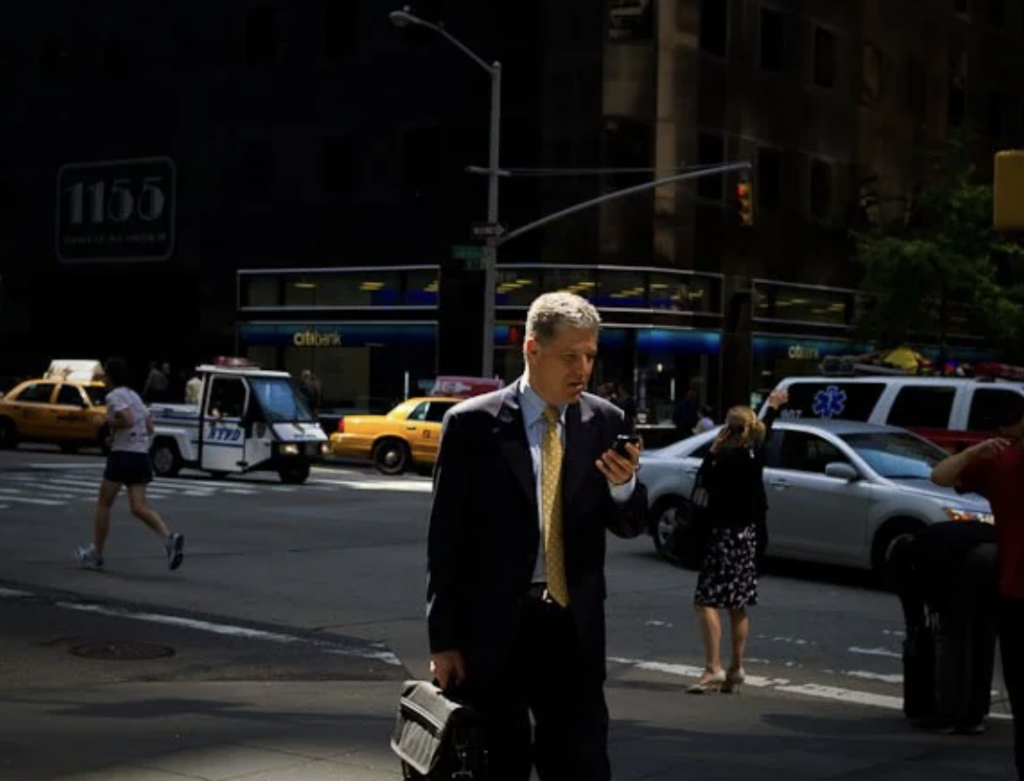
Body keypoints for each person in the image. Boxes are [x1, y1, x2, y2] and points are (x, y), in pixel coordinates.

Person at [426, 291, 647, 781]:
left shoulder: (604, 422)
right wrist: (444, 641)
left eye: (590, 356)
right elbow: (445, 541)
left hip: (573, 631)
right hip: (494, 632)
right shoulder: (471, 425)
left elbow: (631, 524)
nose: (583, 369)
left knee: (582, 765)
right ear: (532, 349)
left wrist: (624, 485)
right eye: (570, 356)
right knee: (496, 765)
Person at [931, 429, 1024, 778]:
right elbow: (940, 475)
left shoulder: (1004, 463)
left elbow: (942, 474)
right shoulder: (1003, 463)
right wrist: (978, 451)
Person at [687, 389, 787, 694]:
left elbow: (703, 481)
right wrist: (771, 408)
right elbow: (764, 432)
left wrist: (713, 451)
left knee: (705, 601)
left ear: (727, 429)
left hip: (723, 536)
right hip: (748, 537)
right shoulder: (756, 455)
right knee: (738, 603)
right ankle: (736, 667)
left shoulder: (726, 459)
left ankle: (713, 667)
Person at [75, 357, 185, 572]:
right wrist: (117, 434)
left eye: (105, 375)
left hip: (122, 457)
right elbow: (150, 427)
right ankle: (168, 539)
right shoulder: (135, 396)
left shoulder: (114, 396)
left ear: (111, 377)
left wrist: (105, 422)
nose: (104, 379)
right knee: (139, 507)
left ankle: (96, 554)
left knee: (104, 503)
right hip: (140, 456)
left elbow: (125, 419)